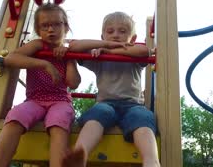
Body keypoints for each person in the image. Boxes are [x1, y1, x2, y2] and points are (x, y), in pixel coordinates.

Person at [0, 4, 130, 167]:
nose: (51, 30)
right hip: (34, 100)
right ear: (38, 29)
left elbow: (74, 83)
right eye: (45, 26)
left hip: (60, 101)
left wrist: (69, 59)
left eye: (56, 24)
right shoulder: (37, 46)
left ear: (66, 27)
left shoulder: (68, 51)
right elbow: (10, 59)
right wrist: (45, 64)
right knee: (15, 116)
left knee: (58, 122)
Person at [62, 11, 160, 167]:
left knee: (142, 118)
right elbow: (74, 46)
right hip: (106, 103)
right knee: (100, 113)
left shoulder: (133, 54)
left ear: (132, 39)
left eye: (122, 31)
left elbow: (143, 51)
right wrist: (104, 46)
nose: (115, 35)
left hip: (133, 105)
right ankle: (80, 153)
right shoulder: (98, 56)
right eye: (110, 31)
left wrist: (110, 50)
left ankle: (151, 161)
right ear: (102, 37)